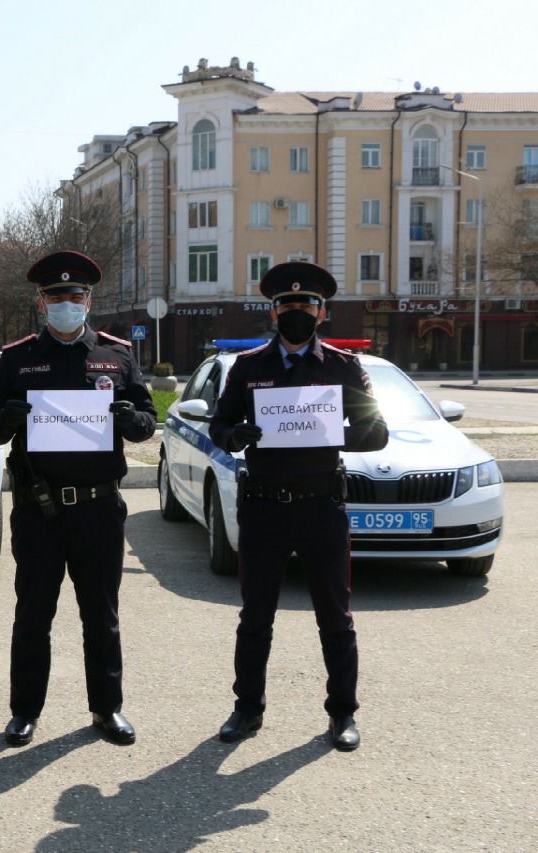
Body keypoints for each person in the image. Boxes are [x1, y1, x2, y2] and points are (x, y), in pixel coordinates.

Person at [0, 250, 157, 747]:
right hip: (39, 509)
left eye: (74, 296)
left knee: (100, 614)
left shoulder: (117, 354)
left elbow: (147, 422)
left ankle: (106, 709)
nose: (66, 303)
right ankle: (24, 712)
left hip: (99, 508)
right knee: (34, 613)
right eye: (56, 296)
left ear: (88, 300)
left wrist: (131, 419)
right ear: (42, 303)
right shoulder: (17, 359)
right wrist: (7, 418)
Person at [209, 261, 388, 752]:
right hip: (264, 508)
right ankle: (247, 708)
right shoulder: (248, 368)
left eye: (305, 305)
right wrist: (233, 435)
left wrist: (339, 429)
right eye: (286, 305)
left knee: (335, 616)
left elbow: (376, 432)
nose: (296, 312)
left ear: (322, 312)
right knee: (255, 616)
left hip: (320, 507)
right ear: (272, 314)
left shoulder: (344, 368)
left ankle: (343, 713)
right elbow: (219, 427)